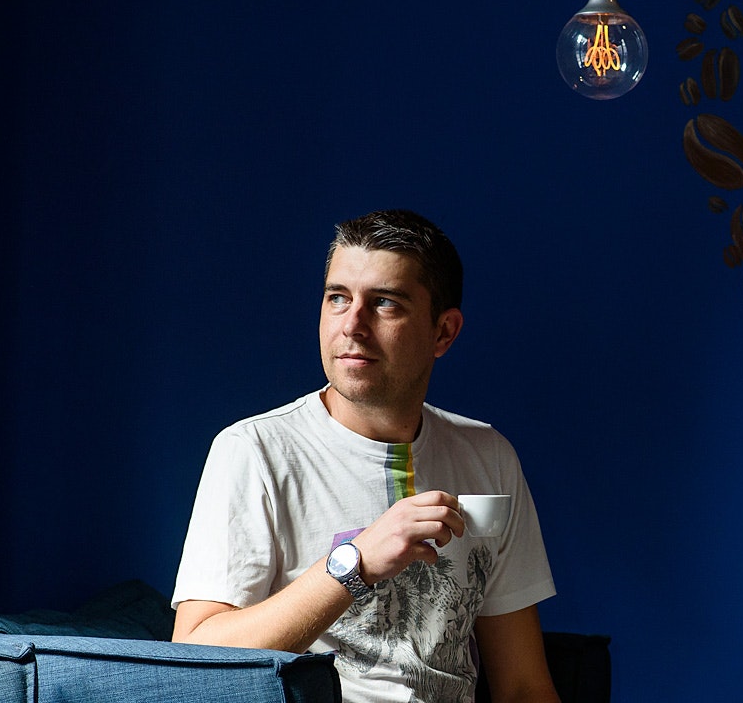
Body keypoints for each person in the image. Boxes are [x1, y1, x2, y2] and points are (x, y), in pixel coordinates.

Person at [170, 210, 560, 703]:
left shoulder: (490, 456)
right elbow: (195, 659)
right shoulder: (253, 451)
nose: (352, 325)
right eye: (338, 298)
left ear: (444, 332)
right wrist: (354, 564)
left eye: (385, 303)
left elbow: (524, 685)